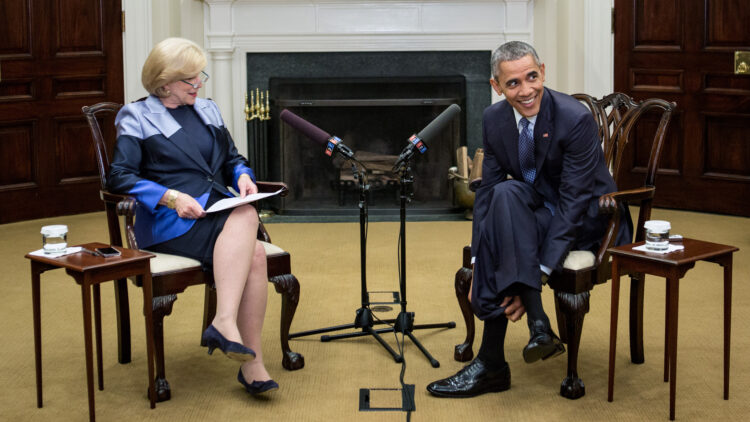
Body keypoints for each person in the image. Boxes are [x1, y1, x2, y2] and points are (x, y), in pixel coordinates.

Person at [427, 41, 632, 398]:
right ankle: (538, 326)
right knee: (503, 196)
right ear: (496, 87)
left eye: (532, 77)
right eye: (513, 83)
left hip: (590, 218)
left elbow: (573, 204)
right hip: (536, 211)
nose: (526, 91)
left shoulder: (575, 119)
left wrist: (533, 277)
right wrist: (476, 262)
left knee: (506, 229)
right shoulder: (494, 119)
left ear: (543, 71)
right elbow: (487, 192)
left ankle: (492, 363)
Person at [108, 37, 278, 396]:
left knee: (257, 251)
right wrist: (169, 197)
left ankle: (246, 353)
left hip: (215, 210)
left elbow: (232, 158)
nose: (198, 83)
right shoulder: (136, 116)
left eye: (199, 75)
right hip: (171, 221)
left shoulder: (208, 109)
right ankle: (236, 340)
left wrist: (243, 175)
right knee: (251, 231)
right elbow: (119, 176)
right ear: (163, 82)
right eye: (189, 79)